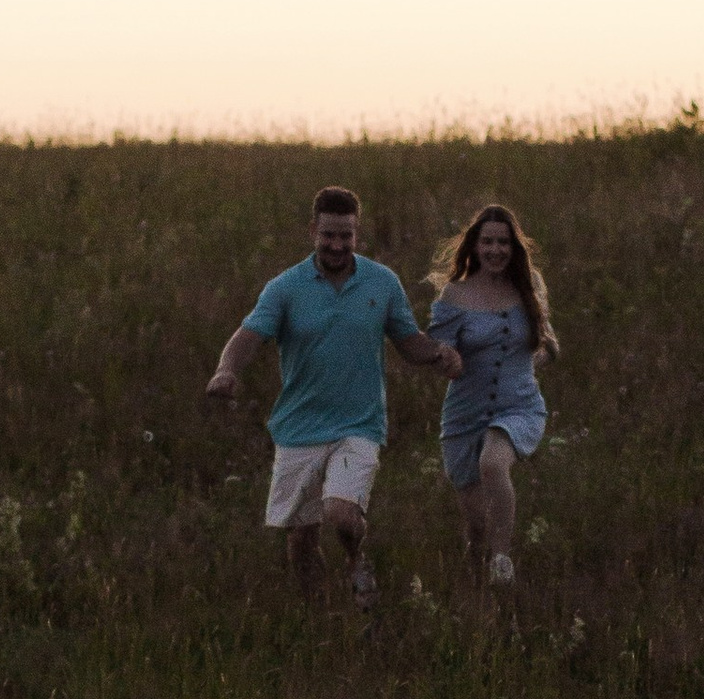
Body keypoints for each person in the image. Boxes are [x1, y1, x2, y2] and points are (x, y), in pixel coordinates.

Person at [206, 188, 460, 606]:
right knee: (301, 542)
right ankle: (320, 618)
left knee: (340, 513)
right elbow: (248, 336)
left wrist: (438, 354)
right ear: (313, 231)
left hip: (359, 424)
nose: (337, 245)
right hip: (299, 427)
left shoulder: (382, 281)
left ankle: (358, 559)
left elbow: (408, 341)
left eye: (346, 235)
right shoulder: (285, 288)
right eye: (329, 235)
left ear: (357, 233)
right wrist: (226, 370)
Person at [426, 200, 557, 588]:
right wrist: (447, 361)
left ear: (514, 247)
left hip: (518, 407)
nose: (496, 250)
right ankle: (481, 596)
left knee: (493, 464)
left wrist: (531, 366)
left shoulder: (528, 287)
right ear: (475, 246)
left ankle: (503, 562)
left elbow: (548, 344)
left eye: (503, 242)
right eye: (488, 242)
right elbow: (439, 352)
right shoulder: (454, 296)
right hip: (464, 415)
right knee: (476, 528)